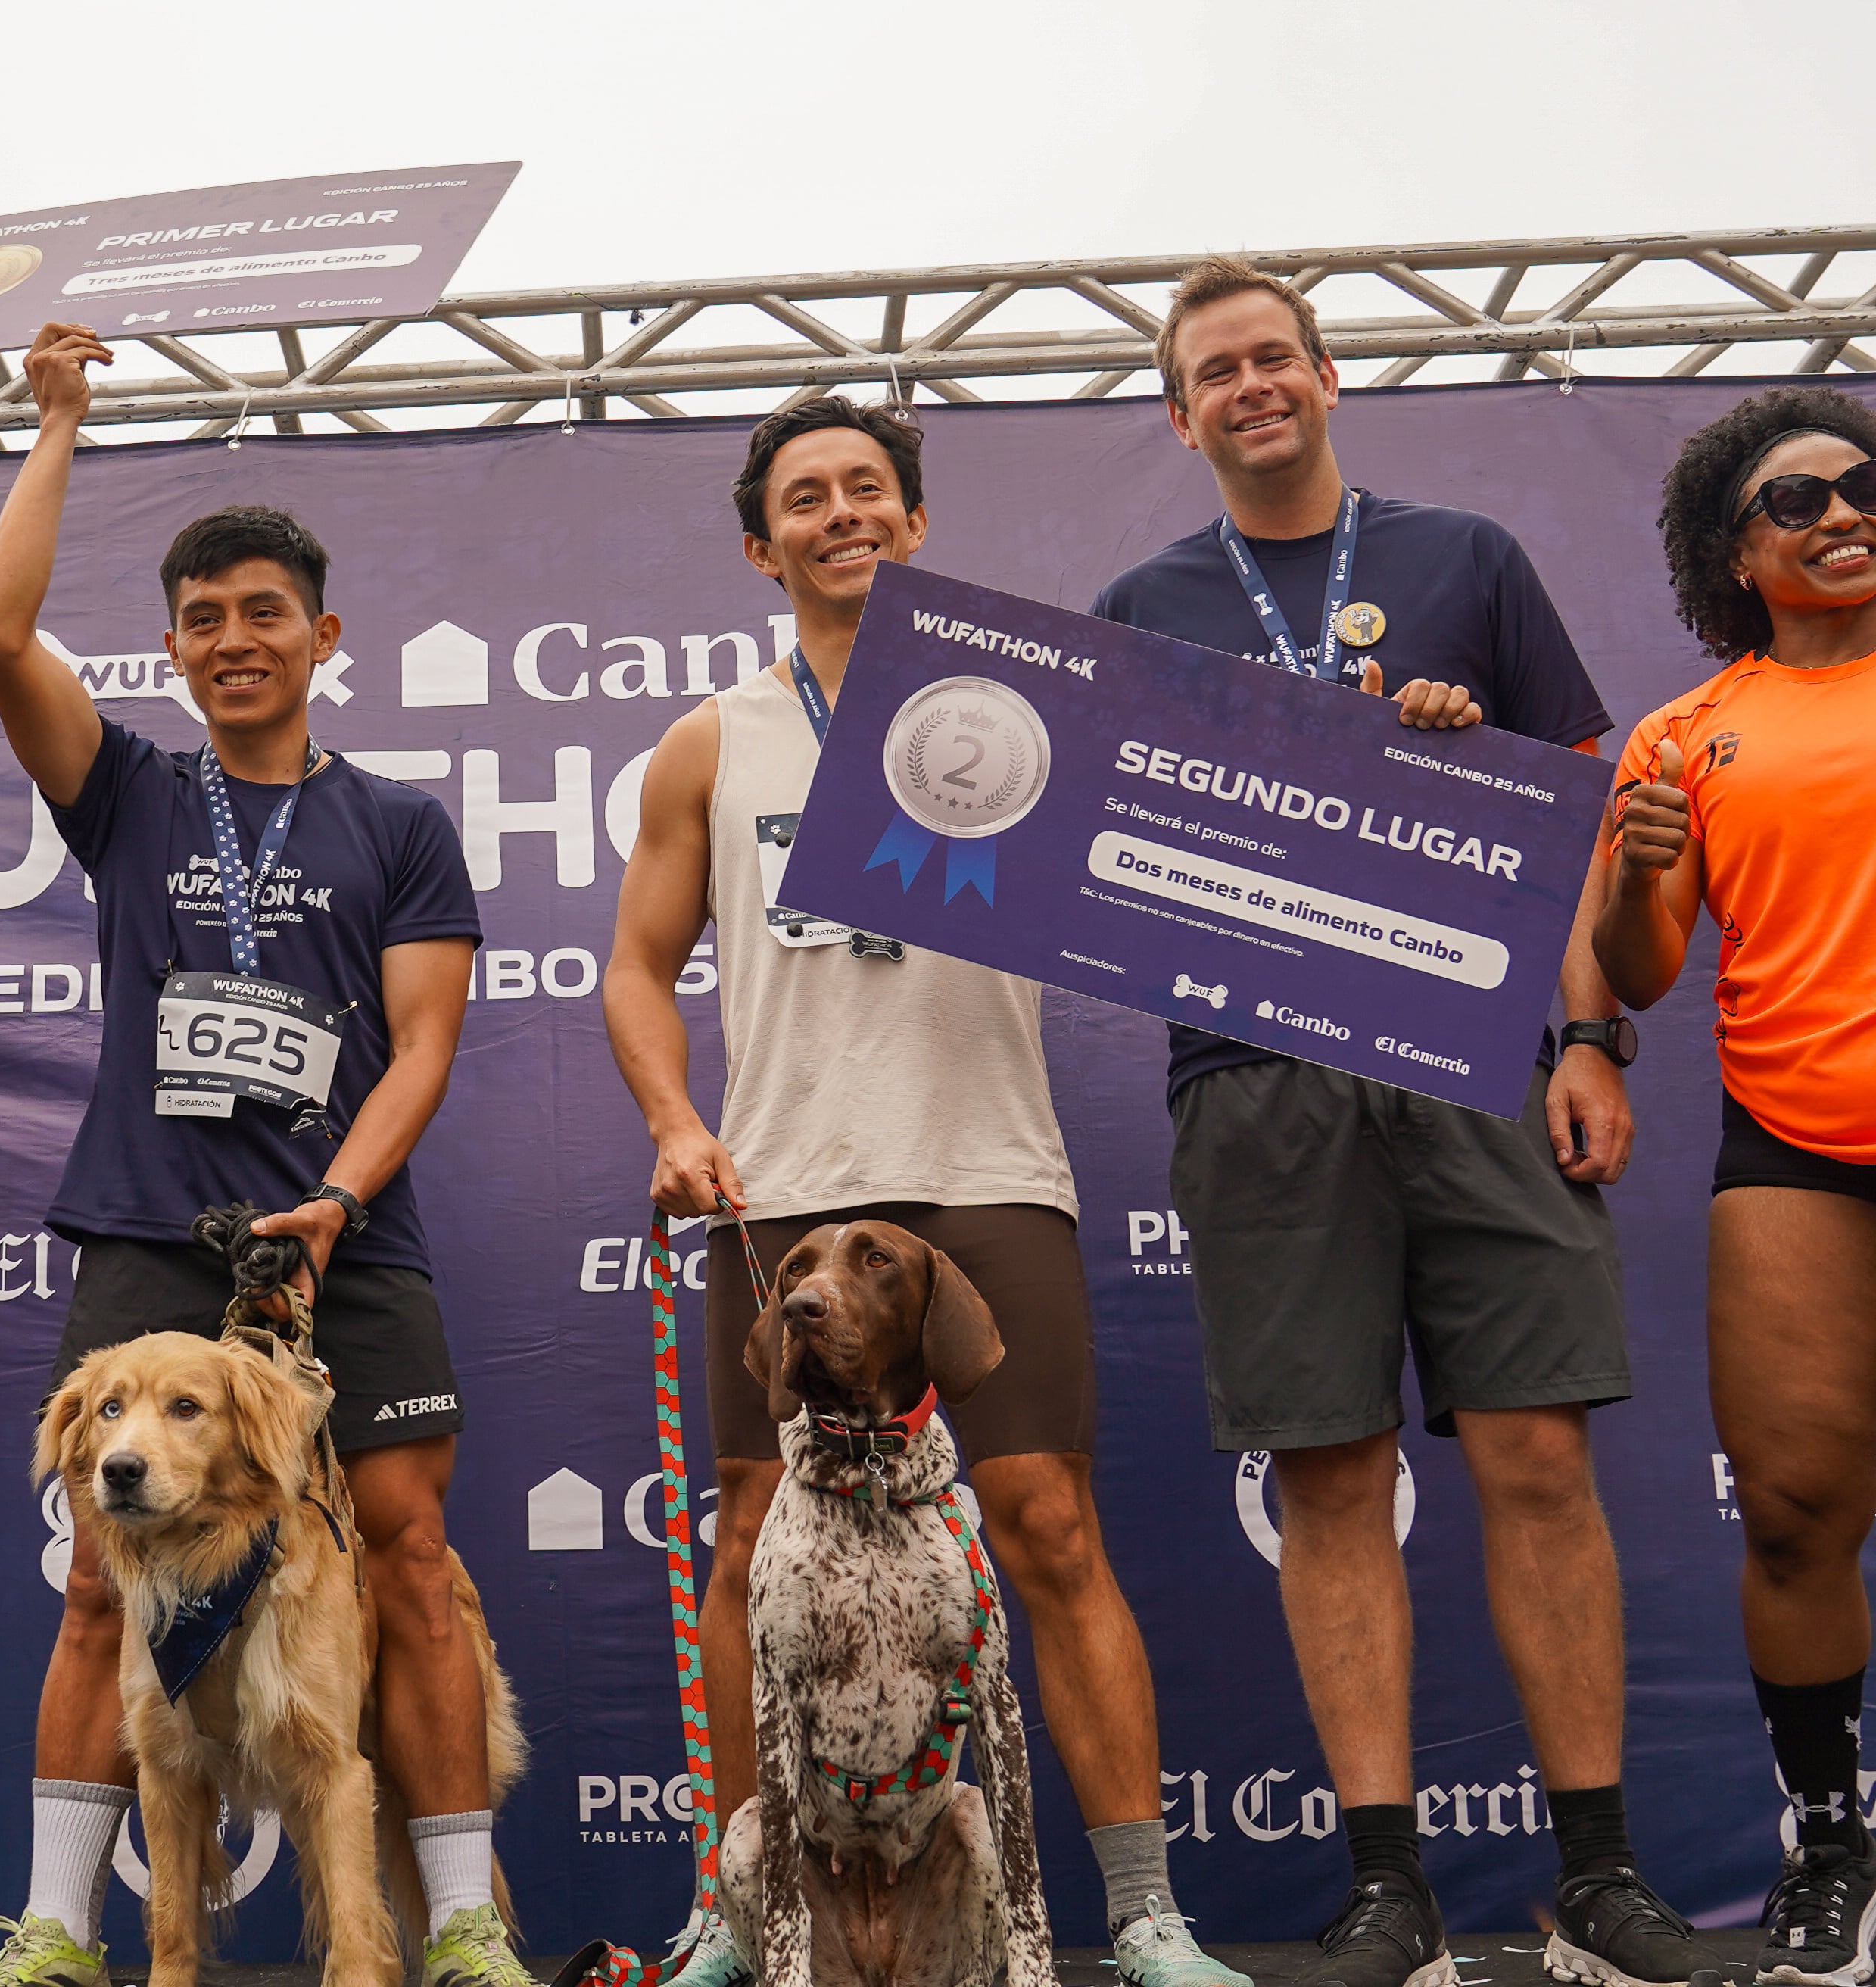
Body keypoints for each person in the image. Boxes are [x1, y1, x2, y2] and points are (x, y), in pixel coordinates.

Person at [1091, 257, 1710, 1987]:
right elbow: (1123, 863)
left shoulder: (1467, 561)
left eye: (1275, 357)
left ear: (1331, 376)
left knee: (1534, 1457)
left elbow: (1581, 816)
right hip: (1254, 1072)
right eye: (1216, 372)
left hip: (1476, 1054)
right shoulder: (1143, 601)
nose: (1252, 388)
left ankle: (1592, 1875)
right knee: (1332, 1473)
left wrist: (1589, 1033)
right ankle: (1389, 1891)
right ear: (1179, 411)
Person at [600, 395, 1237, 1987]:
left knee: (1046, 1522)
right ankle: (738, 1918)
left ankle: (1146, 1912)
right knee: (748, 1533)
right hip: (790, 1189)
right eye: (805, 498)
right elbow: (630, 967)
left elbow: (1230, 834)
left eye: (870, 488)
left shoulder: (1024, 710)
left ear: (918, 522)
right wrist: (675, 1116)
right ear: (763, 545)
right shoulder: (710, 738)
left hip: (985, 1168)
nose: (842, 513)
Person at [0, 323, 515, 1987]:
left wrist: (341, 1198)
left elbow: (424, 1042)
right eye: (201, 620)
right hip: (154, 1227)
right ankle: (61, 1929)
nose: (232, 639)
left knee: (410, 1556)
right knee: (93, 1578)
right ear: (176, 651)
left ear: (323, 635)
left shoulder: (397, 822)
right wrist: (60, 422)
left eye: (263, 612)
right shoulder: (127, 792)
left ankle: (468, 1925)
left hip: (348, 1236)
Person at [1596, 385, 1876, 1979]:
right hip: (1797, 1153)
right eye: (1796, 501)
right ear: (1736, 553)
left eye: (1861, 484)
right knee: (1791, 1516)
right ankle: (1833, 1839)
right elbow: (1635, 974)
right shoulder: (1686, 732)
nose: (1839, 513)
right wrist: (1638, 871)